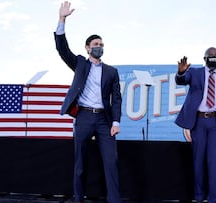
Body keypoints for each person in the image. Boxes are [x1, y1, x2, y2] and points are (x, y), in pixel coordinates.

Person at [54, 2, 122, 203]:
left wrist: (116, 122)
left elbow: (116, 98)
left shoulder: (112, 71)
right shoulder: (80, 64)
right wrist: (62, 20)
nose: (99, 47)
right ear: (87, 48)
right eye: (95, 45)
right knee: (80, 163)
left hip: (104, 120)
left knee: (111, 161)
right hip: (83, 117)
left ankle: (114, 200)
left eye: (101, 45)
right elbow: (62, 48)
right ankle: (78, 199)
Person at [175, 47, 216, 203]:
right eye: (211, 56)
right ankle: (199, 197)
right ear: (205, 58)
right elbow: (181, 80)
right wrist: (181, 72)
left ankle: (214, 199)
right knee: (198, 161)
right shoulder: (194, 73)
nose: (213, 58)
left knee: (214, 163)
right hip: (199, 122)